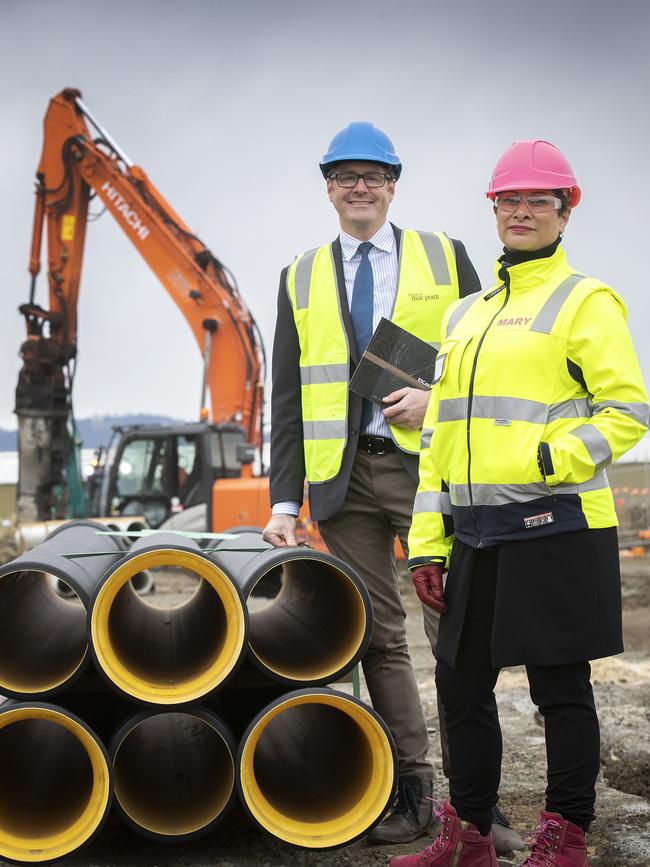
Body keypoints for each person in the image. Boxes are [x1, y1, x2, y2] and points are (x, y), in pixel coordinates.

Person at [392, 139, 649, 867]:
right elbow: (439, 441)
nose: (524, 211)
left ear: (567, 210)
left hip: (556, 526)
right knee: (458, 681)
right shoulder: (465, 316)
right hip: (474, 533)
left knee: (559, 689)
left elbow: (627, 411)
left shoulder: (585, 300)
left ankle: (565, 838)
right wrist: (428, 542)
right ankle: (468, 832)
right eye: (511, 200)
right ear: (494, 210)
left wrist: (547, 459)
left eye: (541, 200)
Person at [262, 122, 483, 845]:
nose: (360, 187)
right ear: (328, 187)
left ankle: (478, 804)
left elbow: (485, 362)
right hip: (343, 478)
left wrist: (436, 399)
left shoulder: (445, 258)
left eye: (374, 175)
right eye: (346, 176)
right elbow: (289, 399)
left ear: (393, 184)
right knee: (377, 638)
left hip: (429, 472)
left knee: (455, 630)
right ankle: (414, 791)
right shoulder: (299, 275)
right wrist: (284, 500)